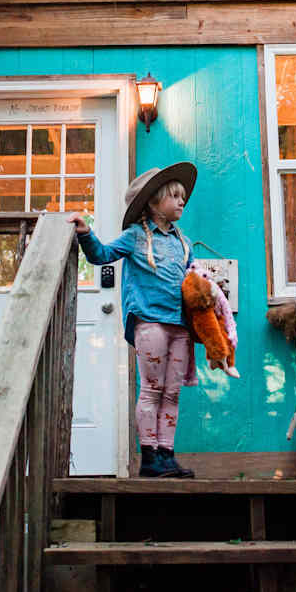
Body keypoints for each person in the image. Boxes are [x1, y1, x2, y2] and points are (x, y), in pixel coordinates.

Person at [69, 162, 199, 479]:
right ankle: (150, 457)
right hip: (150, 323)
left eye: (183, 197)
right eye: (174, 196)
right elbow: (101, 255)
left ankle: (167, 456)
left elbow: (193, 282)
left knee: (172, 392)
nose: (182, 202)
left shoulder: (184, 243)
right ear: (154, 202)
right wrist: (86, 233)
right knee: (152, 389)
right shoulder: (135, 237)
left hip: (180, 327)